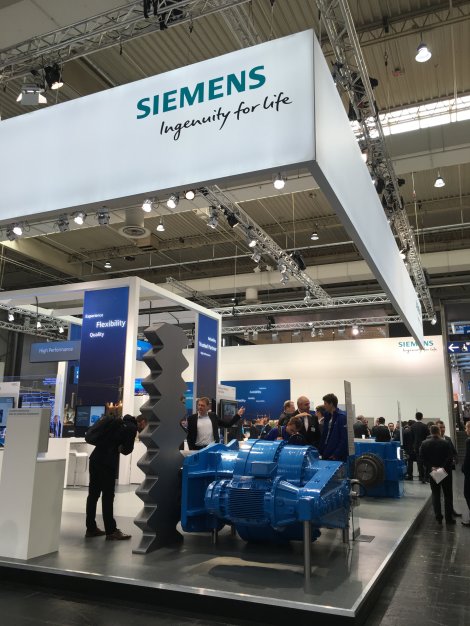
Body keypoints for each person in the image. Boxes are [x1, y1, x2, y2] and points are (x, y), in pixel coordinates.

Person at [85, 414, 138, 540]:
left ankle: (91, 528)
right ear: (142, 422)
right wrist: (119, 447)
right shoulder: (131, 428)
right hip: (108, 462)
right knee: (108, 496)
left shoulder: (115, 423)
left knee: (93, 495)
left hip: (95, 459)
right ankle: (111, 531)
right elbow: (126, 450)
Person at [419, 425, 454, 525]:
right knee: (447, 495)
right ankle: (449, 518)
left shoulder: (424, 443)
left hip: (433, 471)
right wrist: (441, 467)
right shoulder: (445, 443)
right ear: (438, 431)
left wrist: (431, 467)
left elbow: (421, 458)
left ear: (430, 432)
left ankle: (438, 517)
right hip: (445, 471)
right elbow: (449, 457)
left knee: (435, 494)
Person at [435, 420, 460, 517]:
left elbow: (454, 452)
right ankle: (438, 515)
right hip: (437, 470)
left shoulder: (448, 439)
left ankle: (450, 511)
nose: (442, 429)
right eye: (440, 427)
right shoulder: (432, 440)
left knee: (448, 493)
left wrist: (455, 459)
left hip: (448, 469)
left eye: (443, 427)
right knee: (437, 494)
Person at [318, 393, 348, 462]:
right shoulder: (327, 416)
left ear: (331, 404)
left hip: (335, 455)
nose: (324, 406)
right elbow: (325, 435)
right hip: (326, 451)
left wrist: (336, 454)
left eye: (325, 403)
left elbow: (344, 439)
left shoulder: (341, 417)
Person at [411, 412, 430, 483]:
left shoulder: (412, 426)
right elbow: (428, 436)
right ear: (422, 417)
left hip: (416, 446)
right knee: (426, 462)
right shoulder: (425, 426)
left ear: (415, 417)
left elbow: (411, 437)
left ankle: (421, 477)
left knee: (419, 462)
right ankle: (427, 477)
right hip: (425, 446)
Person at [461, 421, 470, 527]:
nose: (466, 430)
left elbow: (468, 458)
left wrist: (464, 469)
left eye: (467, 428)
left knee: (467, 493)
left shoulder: (468, 441)